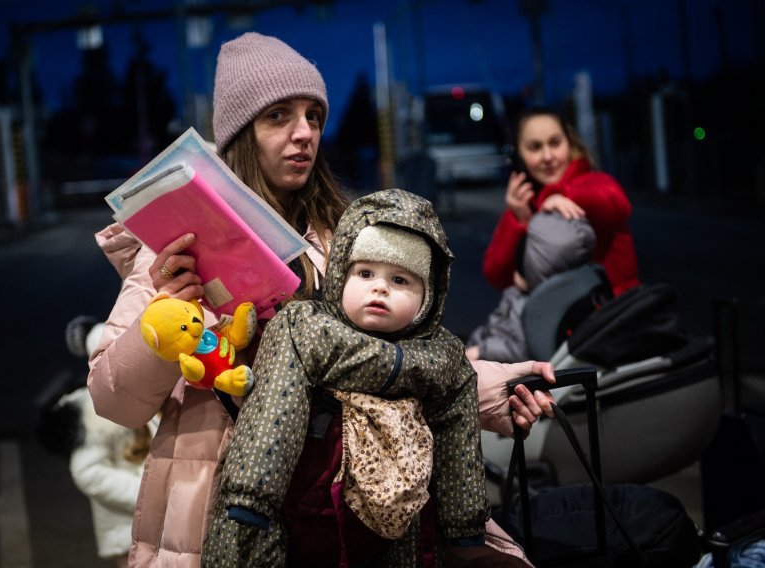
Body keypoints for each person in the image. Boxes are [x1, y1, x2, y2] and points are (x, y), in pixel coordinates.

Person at [88, 32, 554, 567]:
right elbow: (113, 403)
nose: (303, 133)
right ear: (242, 134)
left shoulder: (345, 241)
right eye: (279, 116)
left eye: (314, 116)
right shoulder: (174, 252)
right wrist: (161, 324)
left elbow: (389, 366)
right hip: (215, 508)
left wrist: (492, 389)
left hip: (338, 514)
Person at [203, 188, 501, 565]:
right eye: (365, 273)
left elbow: (458, 439)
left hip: (405, 531)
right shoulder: (304, 329)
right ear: (341, 274)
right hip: (313, 516)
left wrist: (465, 525)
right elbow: (272, 418)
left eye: (401, 280)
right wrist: (248, 507)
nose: (380, 287)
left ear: (429, 298)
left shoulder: (444, 357)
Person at [483, 106, 639, 298]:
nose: (548, 157)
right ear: (519, 155)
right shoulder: (525, 202)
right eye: (535, 147)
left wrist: (560, 195)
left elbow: (617, 203)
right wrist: (519, 220)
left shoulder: (594, 181)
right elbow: (496, 276)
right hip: (555, 322)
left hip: (612, 316)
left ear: (570, 143)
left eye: (555, 143)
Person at [38, 317, 156, 568]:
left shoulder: (141, 388)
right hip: (129, 532)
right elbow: (87, 472)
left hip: (161, 523)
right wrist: (149, 494)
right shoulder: (88, 410)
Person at [467, 210, 597, 362]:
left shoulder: (534, 308)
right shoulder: (570, 292)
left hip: (488, 359)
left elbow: (521, 350)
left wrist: (481, 352)